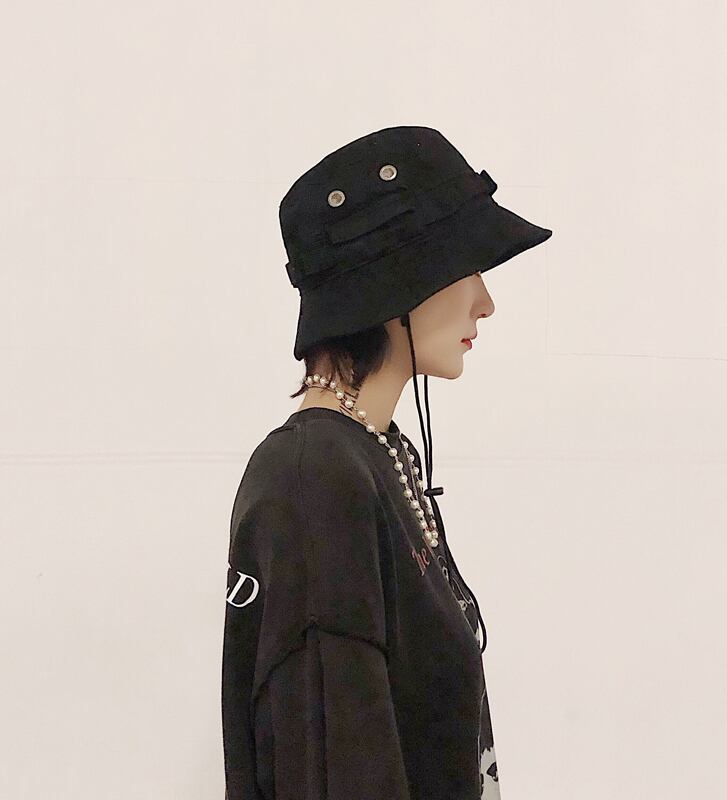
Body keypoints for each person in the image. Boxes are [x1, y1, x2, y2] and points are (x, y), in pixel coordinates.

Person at [222, 125, 553, 799]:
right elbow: (334, 769)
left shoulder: (372, 453)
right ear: (398, 283)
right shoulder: (317, 480)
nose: (486, 302)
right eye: (465, 268)